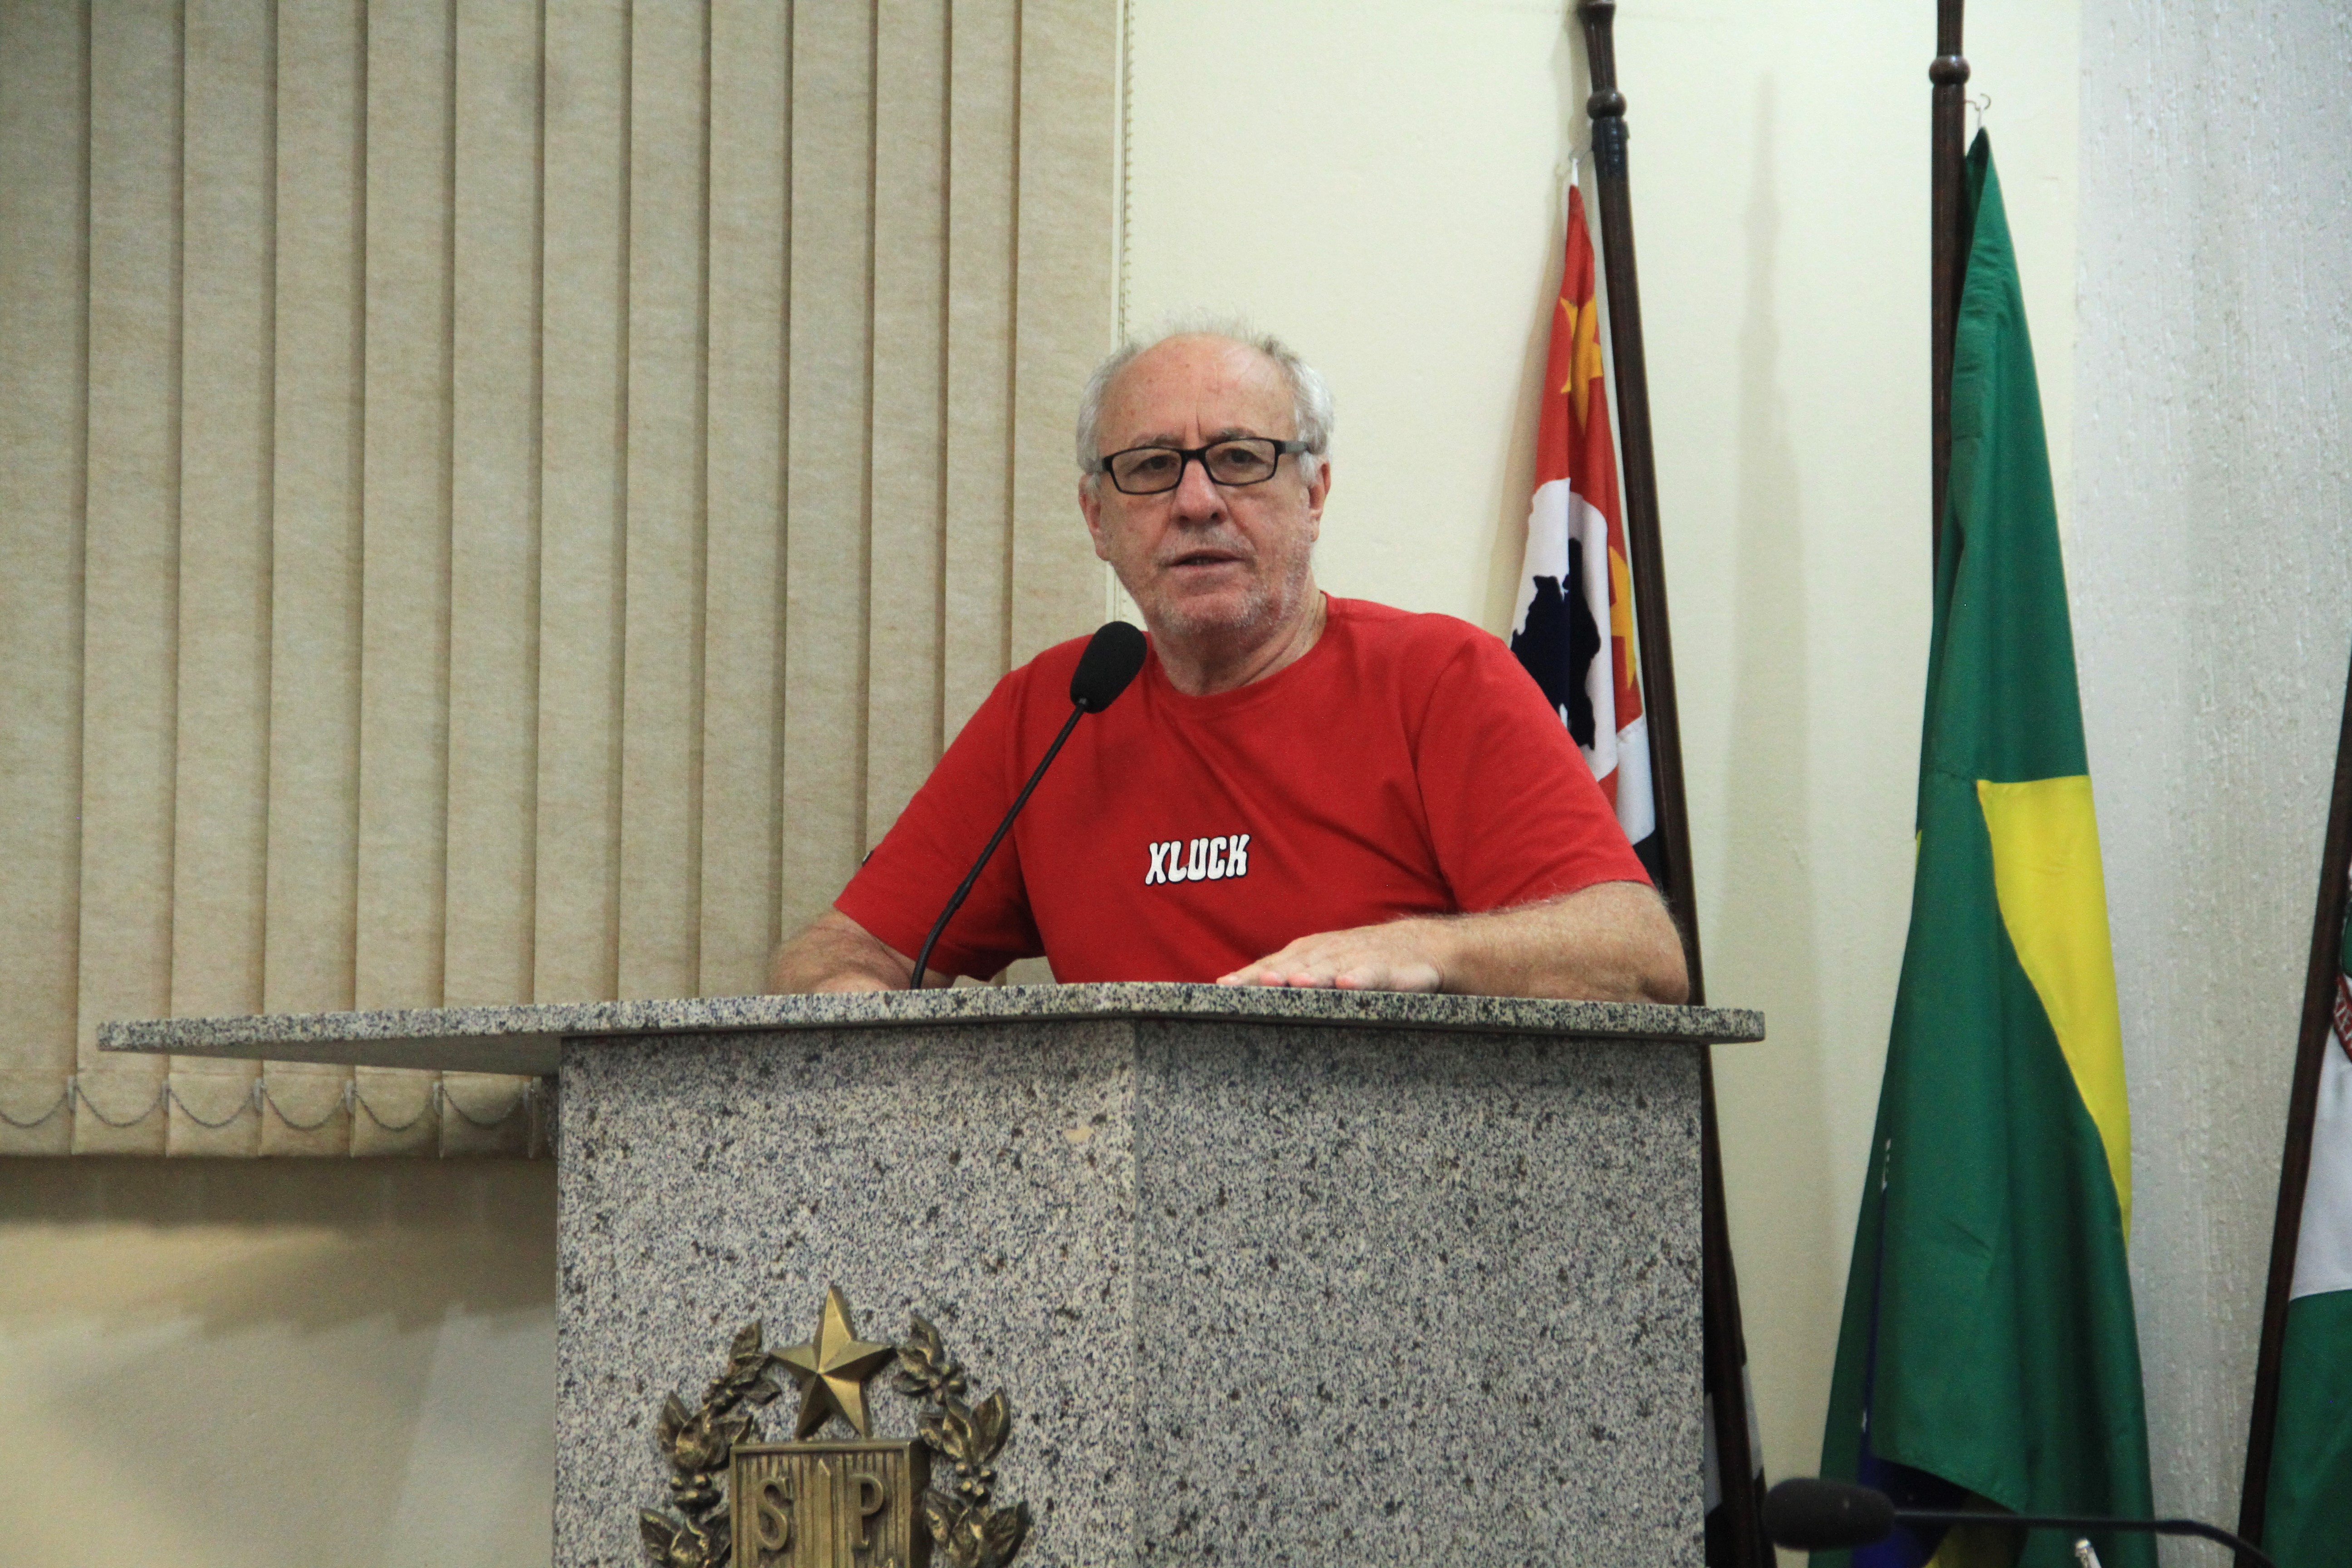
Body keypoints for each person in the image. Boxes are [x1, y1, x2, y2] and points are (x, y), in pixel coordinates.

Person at [768, 327, 1688, 1002]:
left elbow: (1642, 958)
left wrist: (1417, 952)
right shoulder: (1054, 709)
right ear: (1097, 518)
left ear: (1314, 494)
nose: (1198, 501)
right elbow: (837, 955)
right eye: (1151, 467)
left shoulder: (1440, 678)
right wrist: (854, 1010)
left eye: (1241, 459)